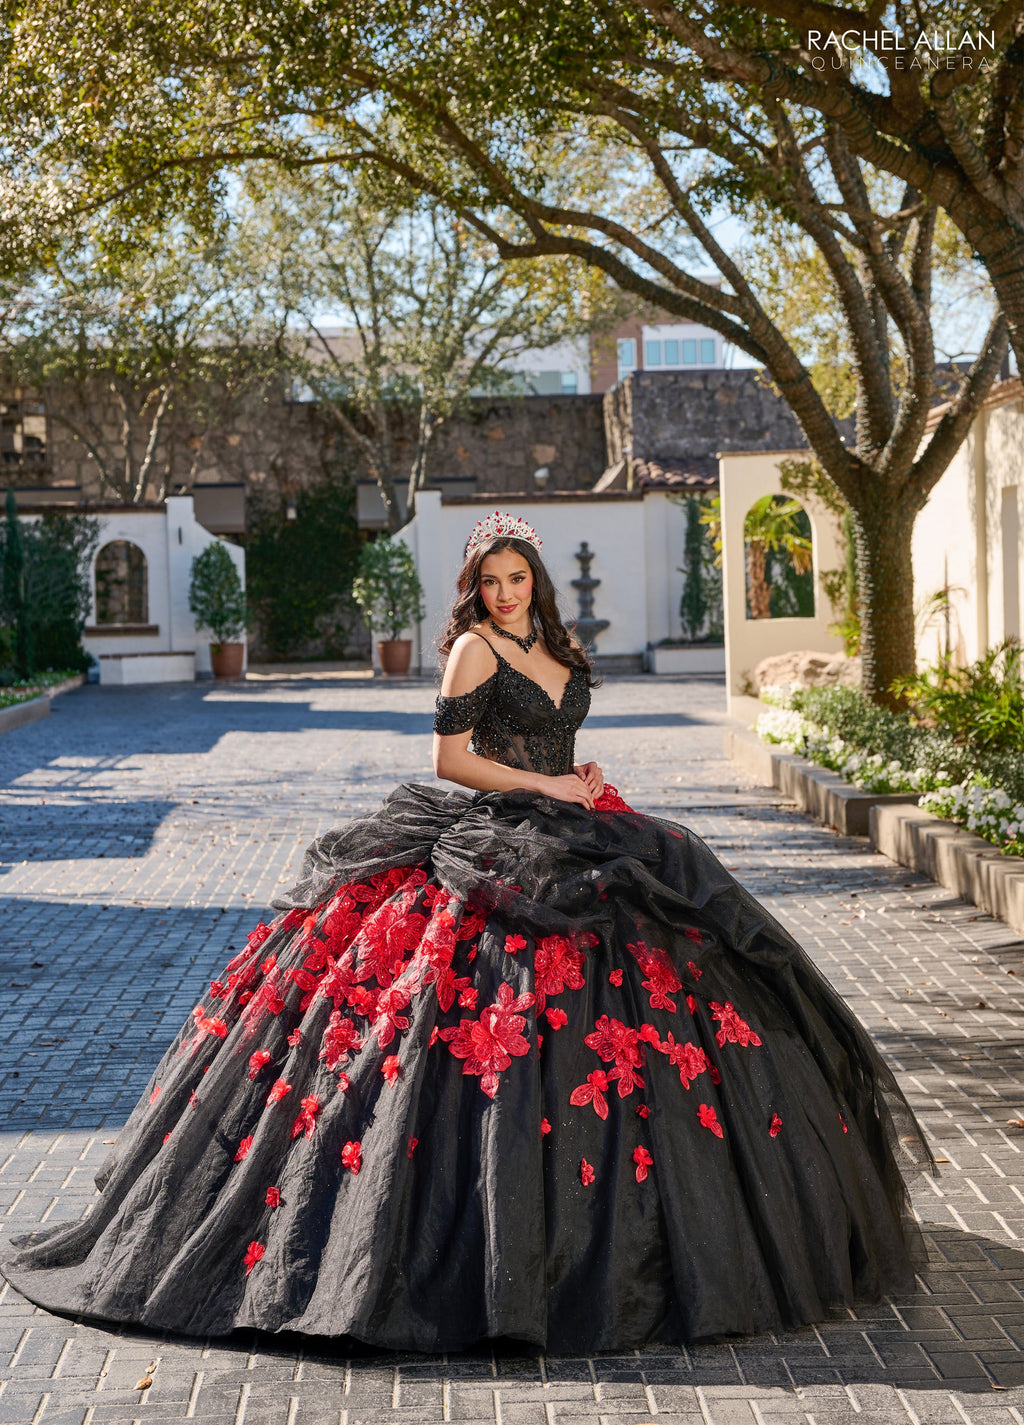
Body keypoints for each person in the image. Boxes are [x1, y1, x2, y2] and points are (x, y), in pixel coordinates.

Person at [1, 512, 931, 1354]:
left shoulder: (550, 643)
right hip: (503, 838)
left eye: (517, 576)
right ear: (476, 589)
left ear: (537, 581)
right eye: (491, 579)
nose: (505, 590)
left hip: (580, 824)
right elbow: (450, 759)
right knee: (467, 1013)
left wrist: (577, 778)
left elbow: (554, 743)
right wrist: (546, 787)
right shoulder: (475, 650)